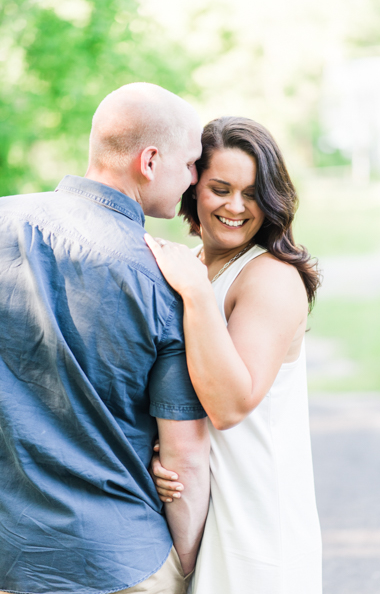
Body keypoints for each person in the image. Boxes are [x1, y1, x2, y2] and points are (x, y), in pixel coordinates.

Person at [0, 83, 210, 594]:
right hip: (120, 562)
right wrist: (179, 565)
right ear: (151, 160)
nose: (195, 179)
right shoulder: (166, 278)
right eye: (189, 164)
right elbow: (185, 459)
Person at [145, 116, 322, 593]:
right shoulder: (195, 265)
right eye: (221, 188)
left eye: (252, 194)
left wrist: (196, 293)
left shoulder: (270, 277)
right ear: (193, 185)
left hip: (258, 525)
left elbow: (230, 405)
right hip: (202, 511)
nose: (236, 207)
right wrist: (162, 460)